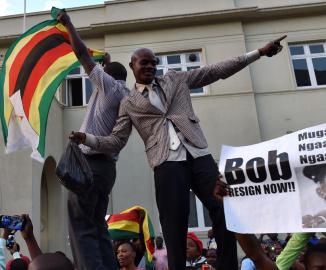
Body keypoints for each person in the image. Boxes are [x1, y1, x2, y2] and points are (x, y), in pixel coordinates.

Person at [70, 34, 286, 269]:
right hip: (166, 164)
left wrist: (258, 53)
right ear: (133, 66)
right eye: (145, 62)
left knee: (225, 208)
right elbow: (115, 141)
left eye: (154, 62)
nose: (151, 66)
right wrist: (88, 139)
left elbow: (214, 71)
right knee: (174, 227)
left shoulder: (175, 79)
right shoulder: (128, 103)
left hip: (198, 154)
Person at [57, 11, 130, 270]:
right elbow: (102, 66)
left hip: (90, 165)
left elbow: (82, 56)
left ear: (105, 75)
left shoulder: (107, 86)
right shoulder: (127, 94)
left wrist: (68, 24)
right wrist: (106, 61)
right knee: (98, 225)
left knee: (81, 226)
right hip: (107, 170)